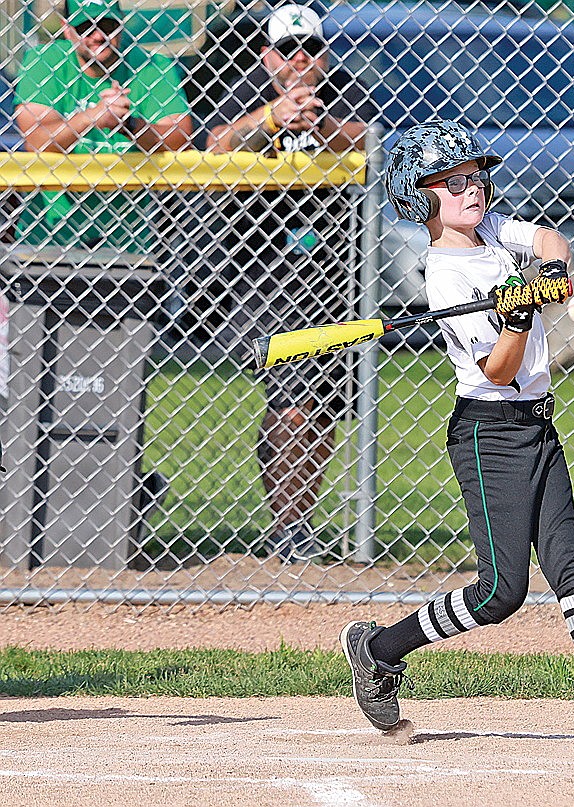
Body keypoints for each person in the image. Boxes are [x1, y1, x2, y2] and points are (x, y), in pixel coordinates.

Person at [339, 120, 574, 760]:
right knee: (499, 594)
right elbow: (500, 370)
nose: (473, 190)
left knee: (570, 562)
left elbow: (551, 240)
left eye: (476, 177)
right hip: (489, 435)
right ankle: (378, 650)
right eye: (454, 183)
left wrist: (542, 275)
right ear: (419, 197)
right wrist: (514, 315)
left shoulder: (492, 233)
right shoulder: (445, 276)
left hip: (539, 423)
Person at [206, 4, 376, 563]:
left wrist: (320, 124)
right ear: (267, 56)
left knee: (324, 404)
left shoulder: (346, 89)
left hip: (333, 265)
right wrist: (273, 120)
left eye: (311, 47)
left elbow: (370, 140)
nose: (301, 57)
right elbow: (215, 146)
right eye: (288, 48)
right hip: (264, 262)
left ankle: (298, 521)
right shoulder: (244, 91)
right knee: (291, 399)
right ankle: (286, 525)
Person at [14, 0, 192, 252]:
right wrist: (93, 117)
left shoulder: (151, 65)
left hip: (128, 244)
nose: (99, 36)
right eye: (86, 27)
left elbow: (180, 137)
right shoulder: (46, 60)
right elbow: (37, 140)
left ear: (121, 26)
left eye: (108, 25)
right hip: (49, 239)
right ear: (67, 30)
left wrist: (129, 125)